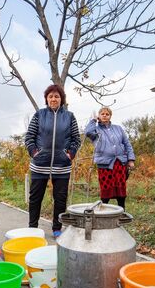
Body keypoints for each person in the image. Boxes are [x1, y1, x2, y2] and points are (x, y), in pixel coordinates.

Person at [24, 84, 81, 238]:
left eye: (57, 96)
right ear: (46, 99)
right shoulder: (39, 115)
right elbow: (29, 137)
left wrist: (70, 154)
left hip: (62, 166)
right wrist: (34, 153)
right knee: (35, 198)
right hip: (39, 165)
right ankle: (33, 228)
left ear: (61, 99)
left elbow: (76, 139)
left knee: (60, 199)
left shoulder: (69, 116)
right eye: (50, 96)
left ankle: (57, 228)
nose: (53, 99)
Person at [84, 107, 135, 210]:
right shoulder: (95, 130)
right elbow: (87, 132)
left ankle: (122, 210)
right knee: (106, 188)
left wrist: (130, 159)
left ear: (110, 116)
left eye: (107, 114)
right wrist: (93, 120)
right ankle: (103, 211)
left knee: (121, 188)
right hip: (105, 163)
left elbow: (127, 144)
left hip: (119, 162)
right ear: (99, 116)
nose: (105, 115)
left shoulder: (118, 128)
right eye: (102, 114)